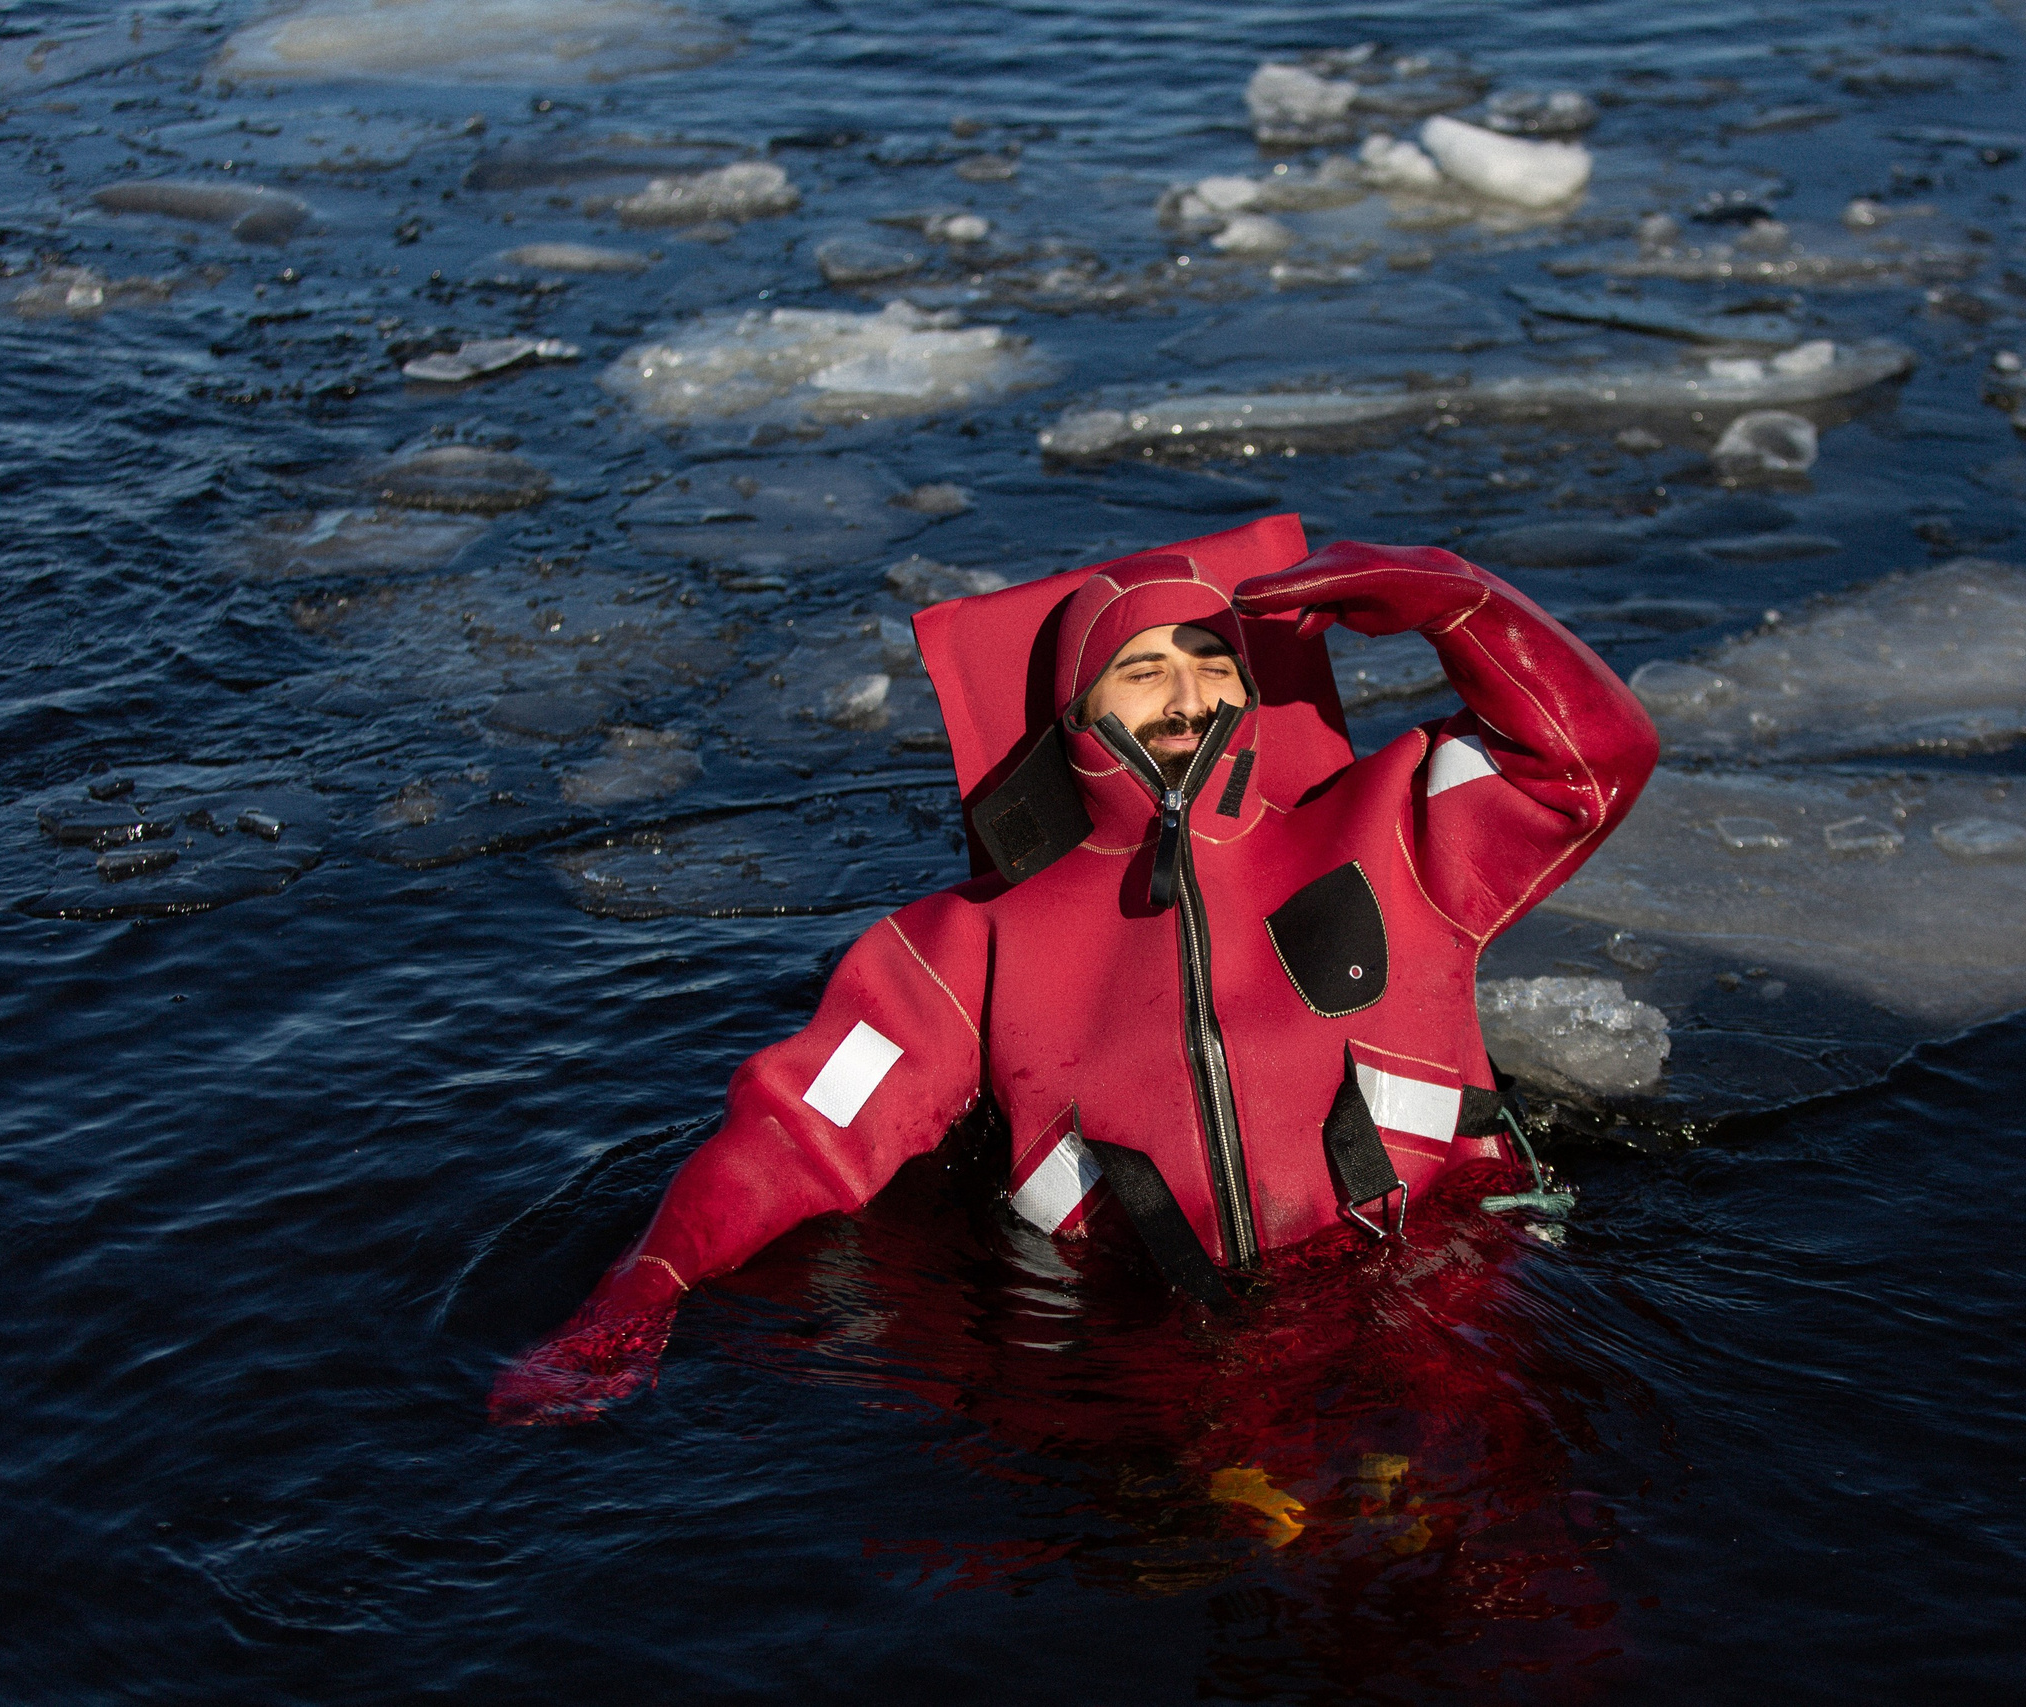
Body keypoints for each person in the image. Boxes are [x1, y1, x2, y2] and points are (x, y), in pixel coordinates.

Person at [489, 515, 1658, 1425]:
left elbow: (1590, 759)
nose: (1188, 691)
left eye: (1212, 658)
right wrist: (637, 1290)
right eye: (1142, 670)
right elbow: (802, 1130)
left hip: (1452, 1295)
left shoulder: (1396, 826)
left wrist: (1462, 605)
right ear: (1074, 713)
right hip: (1165, 1361)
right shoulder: (961, 947)